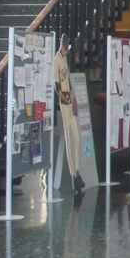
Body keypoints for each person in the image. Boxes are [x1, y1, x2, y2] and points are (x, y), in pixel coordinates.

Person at [55, 34, 84, 194]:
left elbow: (67, 81)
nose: (67, 51)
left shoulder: (64, 59)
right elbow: (56, 84)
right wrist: (64, 98)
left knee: (77, 139)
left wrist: (74, 98)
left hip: (69, 100)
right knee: (68, 138)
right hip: (63, 102)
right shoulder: (57, 60)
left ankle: (77, 172)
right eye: (66, 48)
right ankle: (73, 175)